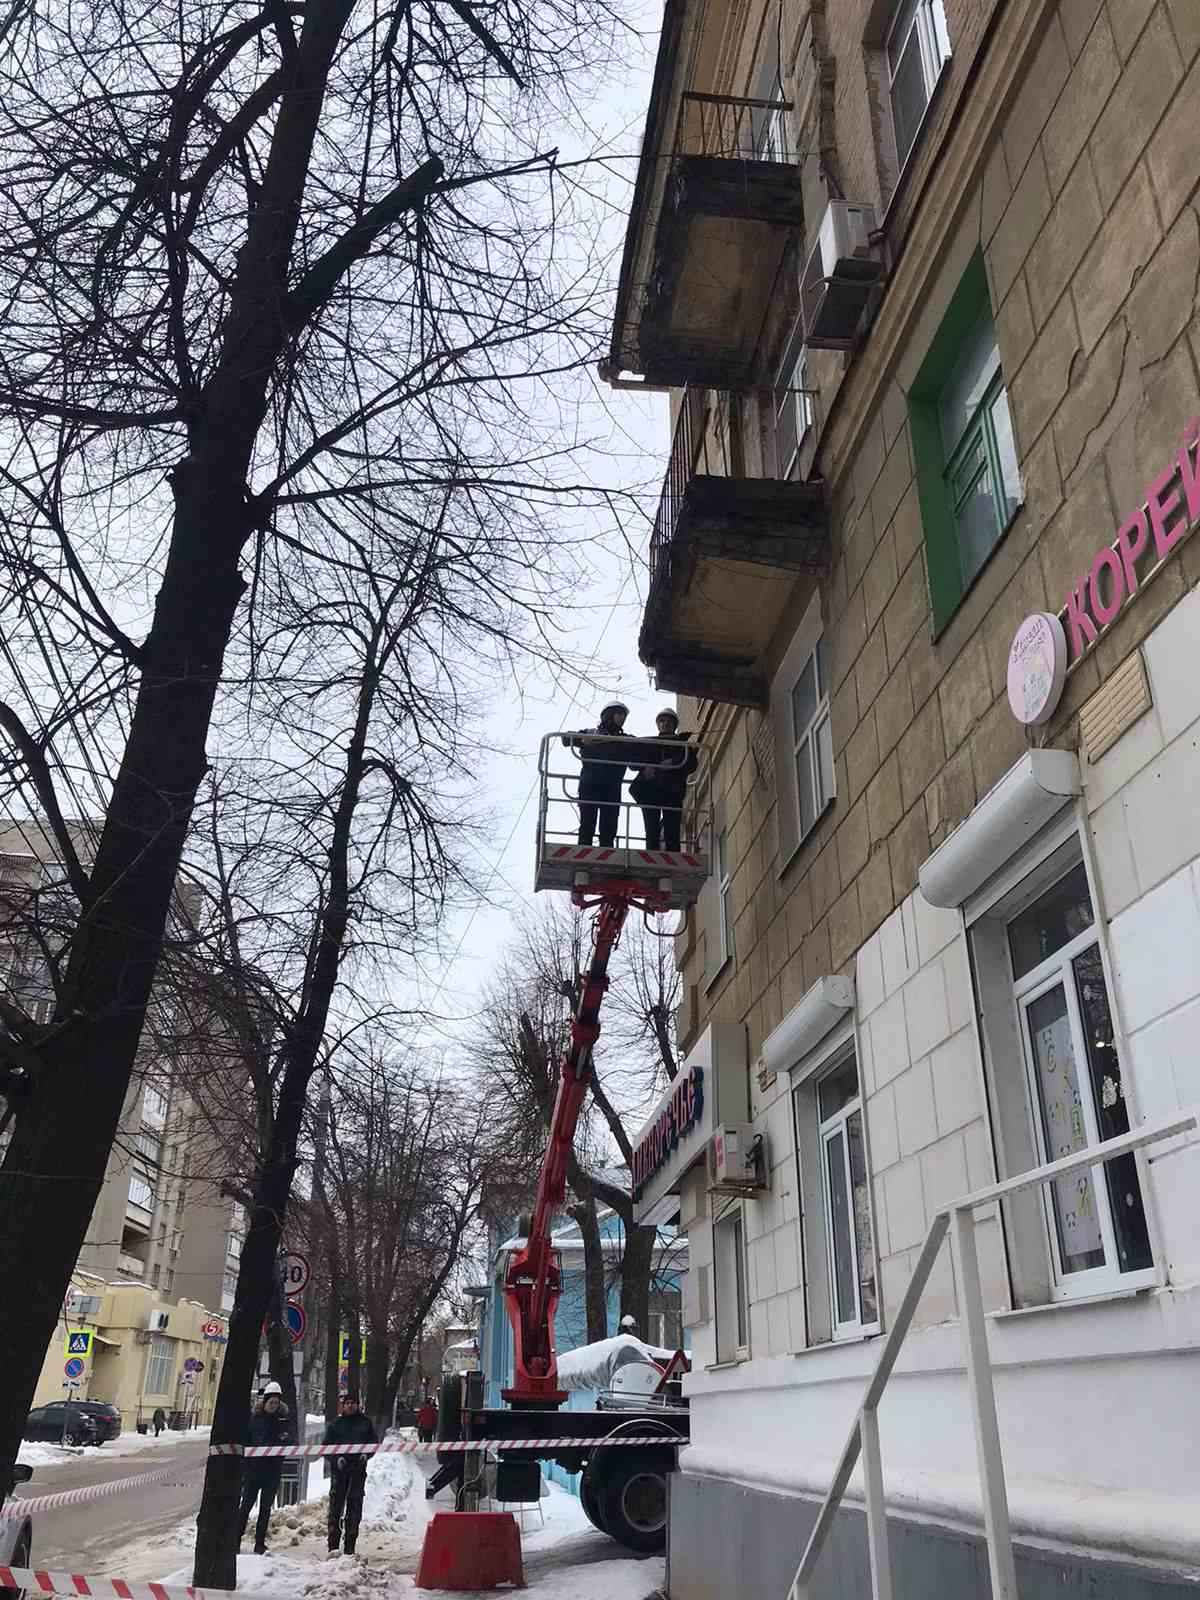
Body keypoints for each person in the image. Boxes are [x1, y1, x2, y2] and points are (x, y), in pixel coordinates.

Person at [563, 702, 632, 847]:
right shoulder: (591, 733)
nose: (622, 718)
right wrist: (581, 740)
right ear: (609, 715)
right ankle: (583, 857)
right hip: (590, 786)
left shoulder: (625, 740)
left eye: (624, 716)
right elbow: (565, 738)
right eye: (619, 714)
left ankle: (607, 855)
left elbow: (641, 750)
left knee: (609, 828)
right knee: (587, 825)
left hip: (612, 788)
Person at [629, 708, 698, 851]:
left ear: (674, 725)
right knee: (651, 829)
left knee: (672, 829)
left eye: (668, 721)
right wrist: (645, 767)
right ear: (657, 724)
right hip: (650, 792)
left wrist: (672, 763)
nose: (665, 724)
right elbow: (633, 763)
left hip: (672, 792)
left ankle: (673, 854)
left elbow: (692, 764)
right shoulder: (650, 744)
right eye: (662, 721)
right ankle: (651, 854)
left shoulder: (681, 745)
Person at [238, 1380, 293, 1555]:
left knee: (265, 1509)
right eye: (271, 1402)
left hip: (272, 1472)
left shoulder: (282, 1420)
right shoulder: (254, 1419)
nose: (274, 1406)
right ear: (265, 1402)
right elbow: (246, 1442)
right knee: (245, 1507)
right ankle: (235, 1540)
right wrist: (245, 1466)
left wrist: (285, 1441)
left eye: (276, 1403)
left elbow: (289, 1443)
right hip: (253, 1472)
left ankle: (259, 1543)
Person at [325, 1392, 378, 1559]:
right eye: (347, 1403)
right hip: (339, 1472)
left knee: (354, 1508)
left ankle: (350, 1546)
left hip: (357, 1471)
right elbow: (326, 1447)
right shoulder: (336, 1424)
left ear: (358, 1405)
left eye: (353, 1403)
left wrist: (366, 1455)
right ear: (343, 1405)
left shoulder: (365, 1423)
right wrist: (336, 1458)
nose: (350, 1406)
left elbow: (373, 1443)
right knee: (335, 1508)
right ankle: (333, 1546)